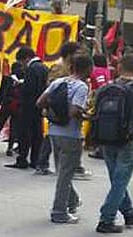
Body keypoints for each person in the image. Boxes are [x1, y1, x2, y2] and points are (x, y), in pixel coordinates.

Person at [93, 53, 133, 231]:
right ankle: (106, 219)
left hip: (106, 138)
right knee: (120, 180)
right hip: (129, 140)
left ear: (119, 67)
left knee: (117, 179)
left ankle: (128, 212)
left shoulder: (105, 88)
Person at [37, 53, 92, 224]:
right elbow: (73, 111)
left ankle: (72, 200)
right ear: (88, 69)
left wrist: (51, 113)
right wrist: (86, 116)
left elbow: (40, 102)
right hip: (71, 134)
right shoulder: (81, 87)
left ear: (71, 67)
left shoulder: (58, 82)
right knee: (65, 174)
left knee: (62, 171)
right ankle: (59, 211)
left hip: (54, 131)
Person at [6, 46, 48, 170]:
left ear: (26, 58)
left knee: (24, 133)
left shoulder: (32, 69)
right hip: (38, 106)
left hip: (28, 105)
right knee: (37, 133)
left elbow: (29, 89)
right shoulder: (44, 68)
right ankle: (35, 160)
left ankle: (22, 159)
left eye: (22, 62)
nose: (22, 65)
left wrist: (20, 86)